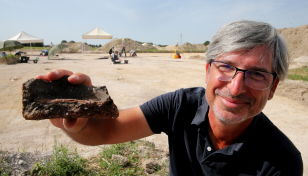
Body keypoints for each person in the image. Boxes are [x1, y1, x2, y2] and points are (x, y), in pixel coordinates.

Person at [35, 20, 303, 175]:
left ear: (273, 87)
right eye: (226, 67)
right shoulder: (180, 106)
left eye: (256, 74)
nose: (236, 88)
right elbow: (106, 131)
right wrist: (82, 121)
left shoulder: (283, 162)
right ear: (208, 70)